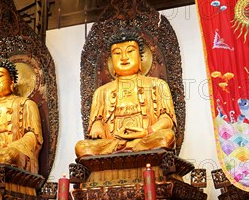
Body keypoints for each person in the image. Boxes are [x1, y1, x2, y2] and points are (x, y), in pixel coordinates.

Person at [75, 29, 176, 158]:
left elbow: (167, 119)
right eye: (117, 53)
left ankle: (132, 148)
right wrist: (97, 128)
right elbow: (97, 121)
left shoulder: (158, 85)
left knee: (166, 137)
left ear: (141, 58)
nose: (124, 58)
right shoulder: (101, 92)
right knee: (82, 147)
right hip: (113, 143)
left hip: (145, 140)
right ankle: (125, 150)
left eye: (130, 51)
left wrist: (147, 131)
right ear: (111, 61)